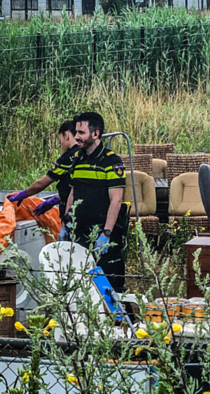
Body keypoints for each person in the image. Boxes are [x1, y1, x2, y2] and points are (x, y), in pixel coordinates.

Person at [64, 111, 128, 292]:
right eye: (76, 132)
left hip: (103, 233)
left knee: (110, 288)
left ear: (96, 134)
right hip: (80, 233)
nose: (76, 137)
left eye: (81, 133)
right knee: (81, 286)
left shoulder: (111, 161)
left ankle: (120, 320)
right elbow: (72, 192)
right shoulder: (77, 158)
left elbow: (116, 200)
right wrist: (65, 222)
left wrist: (106, 234)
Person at [7, 120, 77, 217]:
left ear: (66, 135)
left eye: (60, 140)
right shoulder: (85, 154)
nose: (61, 145)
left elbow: (41, 184)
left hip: (72, 213)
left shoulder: (67, 157)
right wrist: (58, 198)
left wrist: (23, 194)